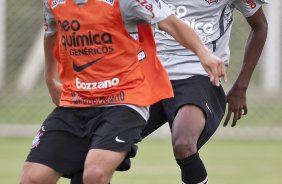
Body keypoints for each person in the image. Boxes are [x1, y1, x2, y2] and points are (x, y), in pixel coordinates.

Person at [19, 0, 226, 184]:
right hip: (76, 101)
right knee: (33, 177)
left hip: (124, 100)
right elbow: (51, 33)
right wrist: (49, 78)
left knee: (94, 174)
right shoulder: (54, 3)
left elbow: (171, 22)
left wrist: (204, 53)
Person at [140, 0, 268, 184]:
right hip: (150, 74)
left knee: (184, 144)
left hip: (199, 74)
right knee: (102, 147)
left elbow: (260, 26)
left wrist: (241, 86)